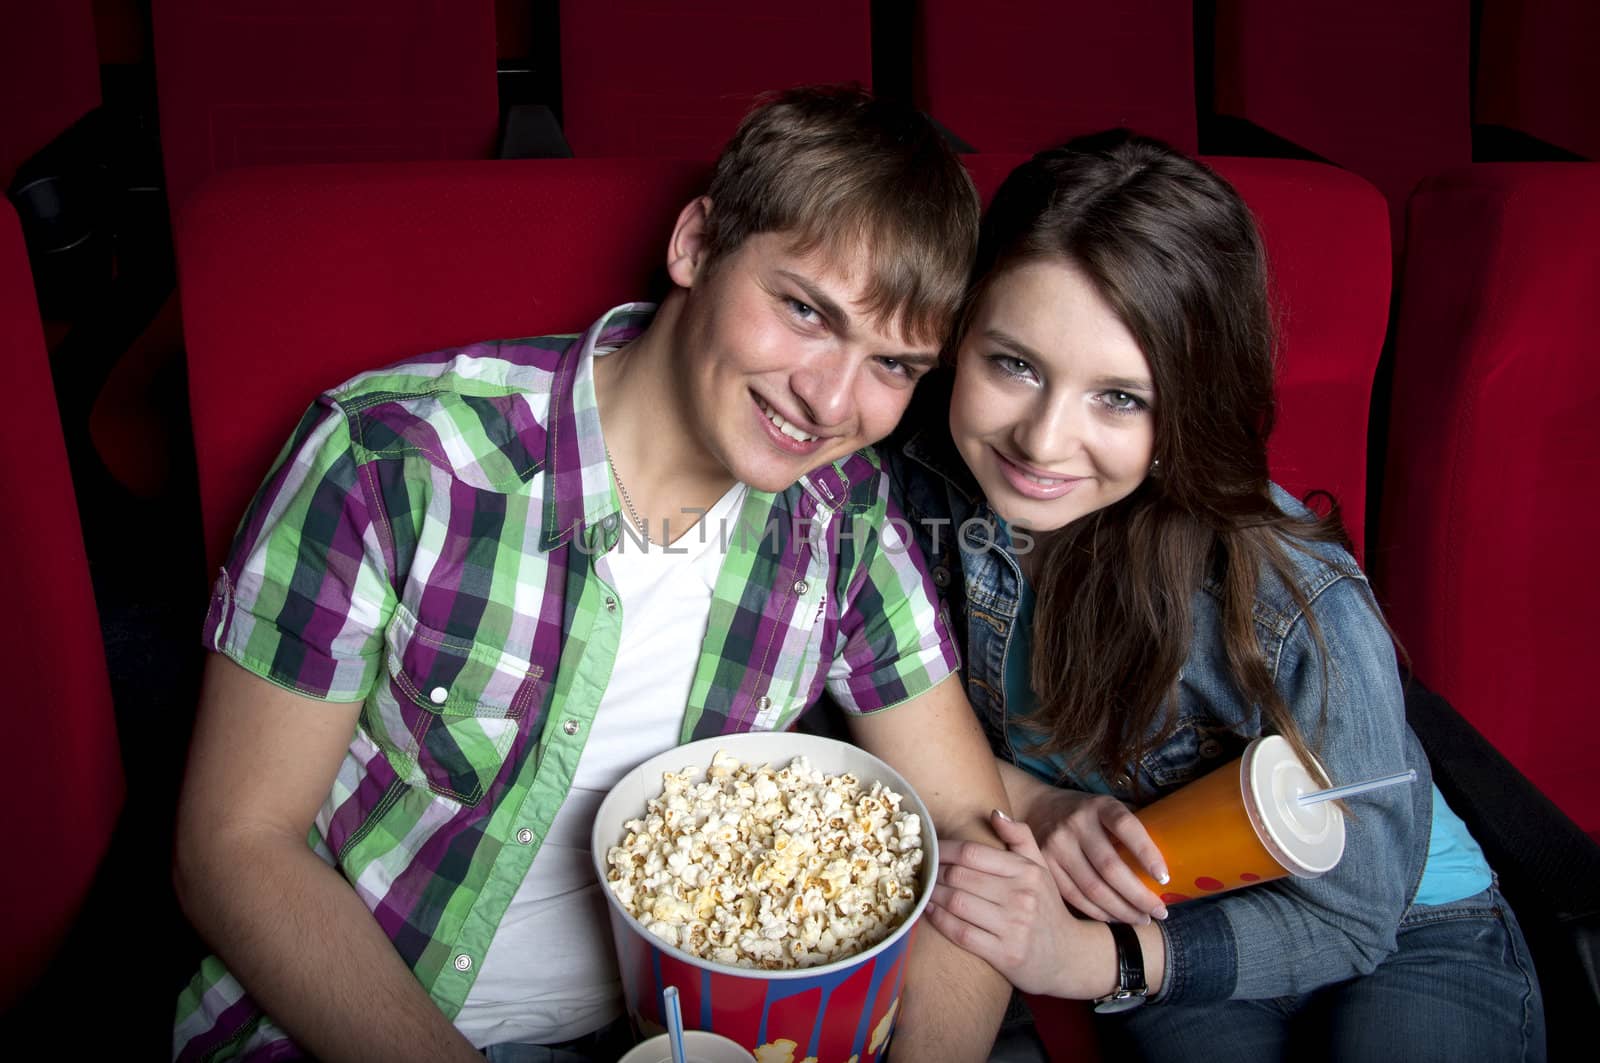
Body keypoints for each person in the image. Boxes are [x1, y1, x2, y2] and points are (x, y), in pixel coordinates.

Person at [171, 86, 1015, 1062]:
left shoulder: (844, 516)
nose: (830, 399)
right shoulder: (391, 460)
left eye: (895, 366)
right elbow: (233, 847)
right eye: (802, 310)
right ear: (695, 245)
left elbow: (966, 827)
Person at [888, 131, 1546, 1061]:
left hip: (1404, 931)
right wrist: (1034, 800)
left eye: (1119, 398)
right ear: (961, 338)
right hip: (1179, 903)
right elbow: (870, 720)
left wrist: (1099, 958)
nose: (1042, 440)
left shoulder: (1289, 591)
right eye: (1016, 365)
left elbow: (1358, 912)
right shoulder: (907, 482)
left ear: (1187, 407)